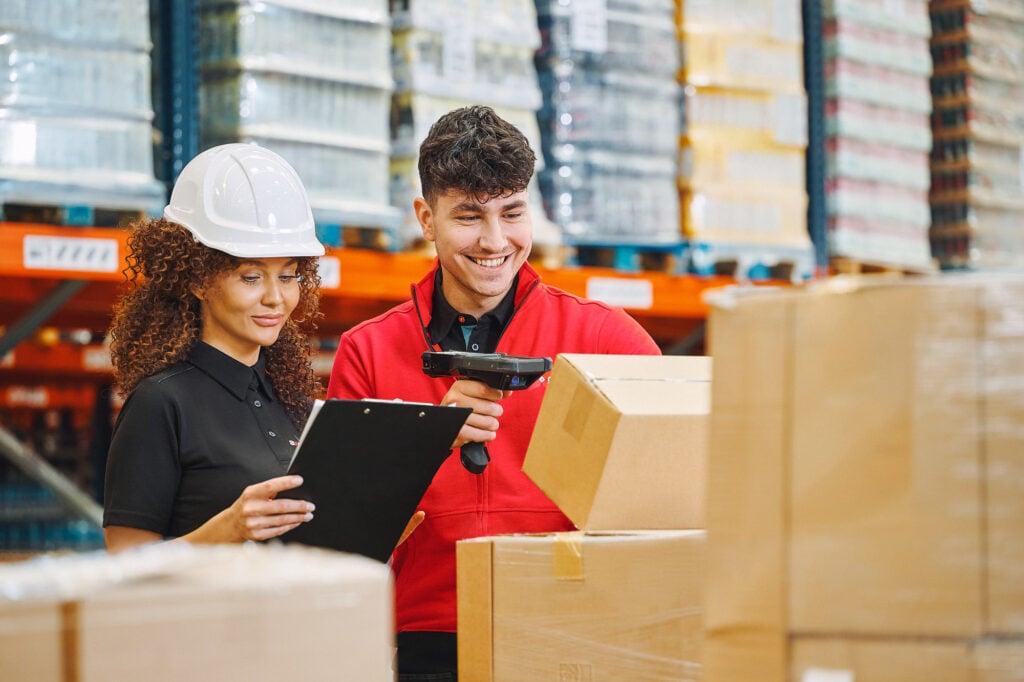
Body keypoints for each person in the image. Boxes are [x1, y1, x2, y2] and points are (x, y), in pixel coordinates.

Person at [327, 105, 661, 679]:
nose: (495, 240)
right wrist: (424, 441)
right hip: (425, 645)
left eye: (512, 213)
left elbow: (671, 495)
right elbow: (338, 532)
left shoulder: (606, 340)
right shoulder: (368, 351)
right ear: (426, 219)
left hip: (569, 634)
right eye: (469, 216)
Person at [102, 143, 326, 552]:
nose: (276, 298)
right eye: (251, 277)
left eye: (288, 276)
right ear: (197, 280)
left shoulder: (288, 398)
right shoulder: (160, 403)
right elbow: (124, 562)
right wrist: (228, 529)